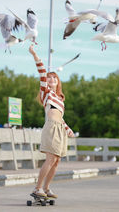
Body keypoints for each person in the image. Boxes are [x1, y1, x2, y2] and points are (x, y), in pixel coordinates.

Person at [29, 44, 75, 199]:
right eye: (49, 78)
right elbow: (41, 70)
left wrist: (68, 129)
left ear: (58, 81)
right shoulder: (46, 93)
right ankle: (37, 188)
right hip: (50, 128)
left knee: (56, 161)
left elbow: (60, 118)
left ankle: (47, 188)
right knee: (50, 159)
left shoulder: (61, 99)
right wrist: (35, 54)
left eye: (54, 77)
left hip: (60, 129)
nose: (51, 79)